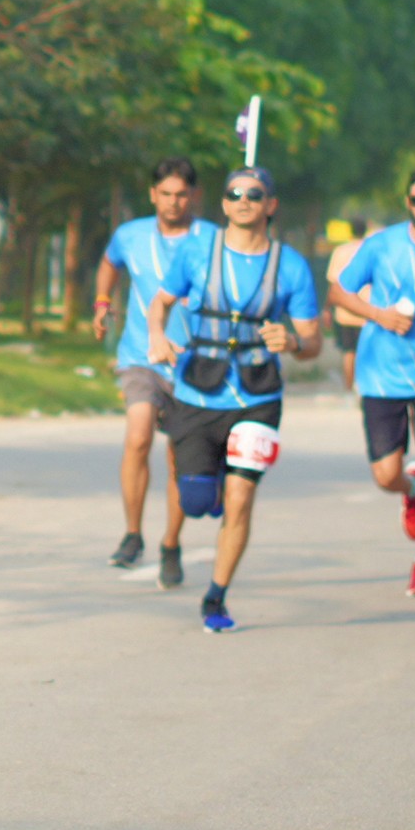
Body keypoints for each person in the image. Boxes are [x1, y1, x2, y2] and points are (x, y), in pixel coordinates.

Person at [143, 166, 324, 633]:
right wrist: (157, 337)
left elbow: (312, 341)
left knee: (241, 499)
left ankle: (216, 597)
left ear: (271, 205)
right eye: (235, 193)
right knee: (196, 499)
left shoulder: (291, 266)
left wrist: (294, 342)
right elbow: (160, 303)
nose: (244, 200)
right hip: (197, 391)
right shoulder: (196, 253)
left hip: (258, 396)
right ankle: (208, 488)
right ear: (223, 204)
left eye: (254, 194)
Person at [328, 165, 415, 596]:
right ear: (408, 203)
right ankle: (411, 487)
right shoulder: (381, 245)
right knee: (386, 475)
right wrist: (379, 315)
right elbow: (338, 291)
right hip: (381, 373)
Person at [91, 158, 199, 577]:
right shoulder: (130, 235)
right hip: (141, 356)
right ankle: (132, 533)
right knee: (138, 437)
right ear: (153, 195)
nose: (173, 202)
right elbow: (109, 263)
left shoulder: (210, 240)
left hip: (193, 363)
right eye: (166, 194)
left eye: (182, 195)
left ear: (194, 197)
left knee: (178, 458)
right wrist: (103, 302)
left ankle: (171, 543)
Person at [323, 220, 364, 394]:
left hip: (345, 311)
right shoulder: (370, 250)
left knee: (349, 351)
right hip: (369, 310)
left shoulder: (341, 251)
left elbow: (333, 283)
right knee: (366, 351)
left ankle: (349, 388)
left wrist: (327, 308)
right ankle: (364, 385)